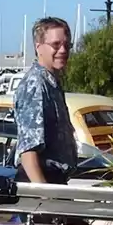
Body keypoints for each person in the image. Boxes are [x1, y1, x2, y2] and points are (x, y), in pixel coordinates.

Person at [13, 16, 77, 184]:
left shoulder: (52, 83)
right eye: (56, 44)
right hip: (40, 182)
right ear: (38, 47)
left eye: (67, 45)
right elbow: (28, 151)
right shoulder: (35, 84)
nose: (63, 50)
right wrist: (45, 194)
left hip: (54, 181)